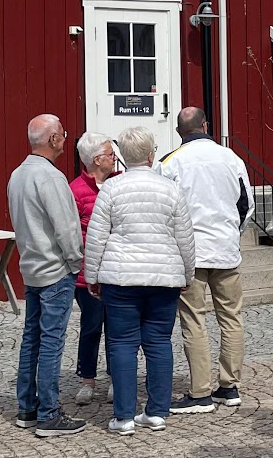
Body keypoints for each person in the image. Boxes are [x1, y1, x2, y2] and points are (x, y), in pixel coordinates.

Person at [83, 127, 196, 434]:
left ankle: (123, 417)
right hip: (163, 276)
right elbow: (185, 237)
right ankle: (157, 412)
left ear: (122, 156)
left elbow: (96, 236)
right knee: (159, 343)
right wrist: (187, 273)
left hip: (121, 277)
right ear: (150, 155)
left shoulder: (111, 188)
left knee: (122, 344)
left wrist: (92, 276)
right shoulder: (170, 189)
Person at [160, 106, 251, 413]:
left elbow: (164, 210)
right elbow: (246, 204)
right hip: (226, 249)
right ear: (206, 126)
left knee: (193, 320)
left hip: (190, 252)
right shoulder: (231, 158)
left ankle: (200, 392)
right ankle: (229, 386)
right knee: (231, 317)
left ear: (178, 132)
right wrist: (232, 233)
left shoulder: (170, 162)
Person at [7, 113, 85, 437]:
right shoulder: (50, 177)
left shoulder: (18, 174)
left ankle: (27, 407)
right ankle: (49, 413)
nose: (65, 139)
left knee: (32, 338)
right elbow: (66, 227)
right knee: (51, 341)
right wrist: (76, 261)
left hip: (31, 266)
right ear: (53, 139)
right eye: (62, 134)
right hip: (54, 269)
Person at [68, 132, 119, 406]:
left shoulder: (119, 184)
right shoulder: (76, 190)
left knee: (117, 327)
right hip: (86, 274)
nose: (115, 158)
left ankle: (115, 378)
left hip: (116, 270)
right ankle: (87, 380)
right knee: (90, 326)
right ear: (97, 159)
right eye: (110, 154)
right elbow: (70, 233)